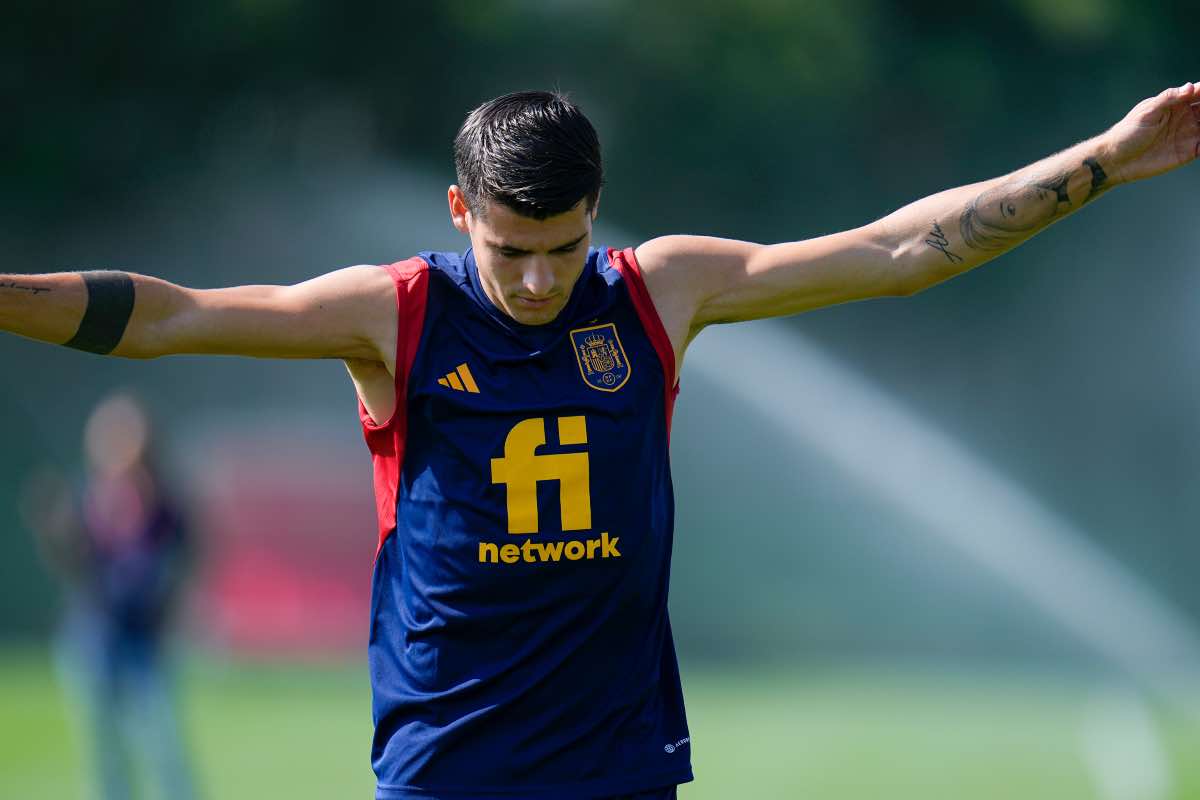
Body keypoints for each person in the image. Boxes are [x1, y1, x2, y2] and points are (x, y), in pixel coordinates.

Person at [2, 84, 1197, 799]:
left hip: (619, 760)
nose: (537, 279)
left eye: (563, 247)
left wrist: (1104, 160)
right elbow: (170, 317)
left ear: (597, 210)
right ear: (459, 210)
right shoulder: (394, 312)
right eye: (509, 250)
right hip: (448, 765)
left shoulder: (656, 291)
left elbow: (894, 253)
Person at [21, 392, 196, 800]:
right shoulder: (85, 498)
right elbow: (73, 567)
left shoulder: (164, 505)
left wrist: (165, 602)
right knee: (106, 759)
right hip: (94, 638)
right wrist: (52, 530)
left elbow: (184, 558)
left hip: (144, 642)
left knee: (164, 750)